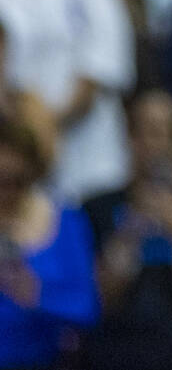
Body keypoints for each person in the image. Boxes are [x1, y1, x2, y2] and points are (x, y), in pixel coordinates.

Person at [0, 0, 135, 203]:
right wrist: (25, 125)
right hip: (14, 154)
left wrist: (50, 119)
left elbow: (106, 54)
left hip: (91, 151)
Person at [81, 90, 172, 370]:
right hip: (116, 352)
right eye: (151, 133)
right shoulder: (97, 207)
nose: (160, 145)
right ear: (131, 139)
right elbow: (100, 299)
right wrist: (131, 231)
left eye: (170, 135)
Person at [0, 117, 99, 370]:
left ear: (32, 171)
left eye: (15, 181)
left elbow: (87, 307)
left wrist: (38, 295)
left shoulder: (66, 220)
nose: (5, 193)